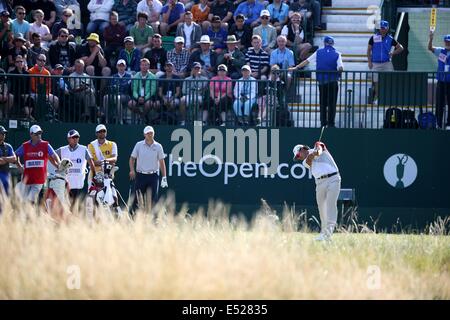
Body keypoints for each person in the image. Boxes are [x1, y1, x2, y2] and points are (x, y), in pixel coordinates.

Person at [292, 141, 341, 241]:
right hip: (319, 183)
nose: (299, 157)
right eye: (297, 157)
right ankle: (324, 232)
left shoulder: (317, 145)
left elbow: (319, 150)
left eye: (298, 155)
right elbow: (309, 161)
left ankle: (328, 233)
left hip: (333, 178)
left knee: (331, 204)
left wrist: (315, 152)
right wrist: (312, 155)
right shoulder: (304, 162)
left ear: (303, 149)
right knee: (322, 208)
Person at [291, 36, 344, 128]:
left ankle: (323, 123)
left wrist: (297, 67)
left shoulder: (318, 52)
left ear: (324, 43)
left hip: (322, 81)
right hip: (333, 81)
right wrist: (338, 72)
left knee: (323, 103)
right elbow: (341, 67)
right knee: (332, 103)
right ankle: (331, 123)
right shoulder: (337, 54)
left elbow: (307, 61)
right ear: (332, 43)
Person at [15, 124, 61, 204]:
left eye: (40, 133)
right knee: (23, 202)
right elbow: (15, 155)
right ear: (31, 134)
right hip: (27, 179)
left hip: (39, 180)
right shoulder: (25, 145)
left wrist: (59, 163)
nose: (39, 135)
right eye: (36, 134)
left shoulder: (46, 144)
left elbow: (54, 155)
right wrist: (19, 166)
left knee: (30, 200)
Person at [129, 125, 167, 210]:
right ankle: (134, 218)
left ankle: (153, 220)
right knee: (137, 199)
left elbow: (161, 162)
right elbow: (132, 159)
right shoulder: (139, 145)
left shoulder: (158, 146)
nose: (149, 135)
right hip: (140, 175)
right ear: (144, 134)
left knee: (153, 199)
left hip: (153, 176)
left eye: (151, 133)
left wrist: (164, 177)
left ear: (154, 134)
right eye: (147, 133)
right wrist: (132, 170)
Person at [54, 129, 95, 206]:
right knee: (67, 204)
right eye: (73, 137)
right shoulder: (62, 149)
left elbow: (91, 163)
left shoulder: (84, 149)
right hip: (66, 182)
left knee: (76, 204)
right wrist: (57, 165)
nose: (76, 138)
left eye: (77, 137)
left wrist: (94, 175)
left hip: (78, 183)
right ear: (68, 139)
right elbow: (51, 155)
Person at [367, 20, 403, 104]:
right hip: (375, 62)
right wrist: (369, 62)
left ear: (387, 29)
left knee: (391, 79)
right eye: (381, 28)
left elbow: (401, 48)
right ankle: (377, 97)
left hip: (386, 62)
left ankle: (390, 97)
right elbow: (369, 50)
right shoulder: (373, 37)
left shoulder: (390, 39)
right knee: (376, 81)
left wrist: (392, 53)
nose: (382, 30)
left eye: (384, 28)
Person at [428, 32, 450, 129]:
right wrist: (431, 38)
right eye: (446, 41)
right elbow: (430, 48)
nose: (447, 43)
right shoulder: (441, 51)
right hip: (441, 81)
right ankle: (438, 123)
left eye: (449, 42)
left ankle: (449, 123)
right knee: (439, 103)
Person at [128, 58, 158, 123]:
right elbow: (134, 89)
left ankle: (142, 117)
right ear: (140, 66)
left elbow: (152, 90)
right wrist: (138, 97)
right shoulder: (136, 76)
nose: (144, 66)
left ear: (149, 66)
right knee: (131, 104)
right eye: (142, 65)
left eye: (146, 65)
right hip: (138, 96)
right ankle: (142, 115)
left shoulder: (153, 77)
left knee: (148, 104)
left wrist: (145, 98)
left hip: (148, 96)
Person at [103, 59, 132, 123]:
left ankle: (120, 120)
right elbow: (111, 87)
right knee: (106, 97)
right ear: (117, 67)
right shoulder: (113, 76)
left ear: (125, 67)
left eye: (122, 66)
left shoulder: (129, 76)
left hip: (125, 95)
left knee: (118, 98)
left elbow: (128, 88)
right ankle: (107, 119)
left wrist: (119, 86)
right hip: (114, 95)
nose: (121, 67)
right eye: (119, 66)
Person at [0, 125, 16, 196]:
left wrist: (4, 159)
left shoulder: (8, 146)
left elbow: (14, 158)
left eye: (4, 133)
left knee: (6, 197)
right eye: (2, 133)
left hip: (6, 175)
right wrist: (8, 159)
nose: (4, 135)